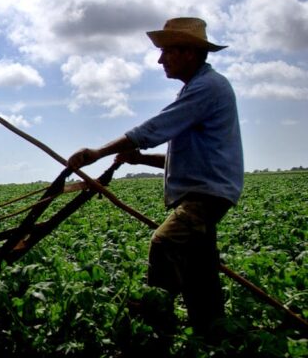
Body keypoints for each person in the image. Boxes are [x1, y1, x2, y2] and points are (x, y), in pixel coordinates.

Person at [67, 17, 243, 335]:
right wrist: (140, 159)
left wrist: (97, 153)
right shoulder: (201, 88)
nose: (161, 59)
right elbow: (188, 159)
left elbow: (152, 129)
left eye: (167, 51)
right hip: (204, 192)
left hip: (205, 197)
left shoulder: (206, 88)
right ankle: (214, 336)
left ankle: (155, 327)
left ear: (189, 52)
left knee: (164, 244)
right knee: (199, 272)